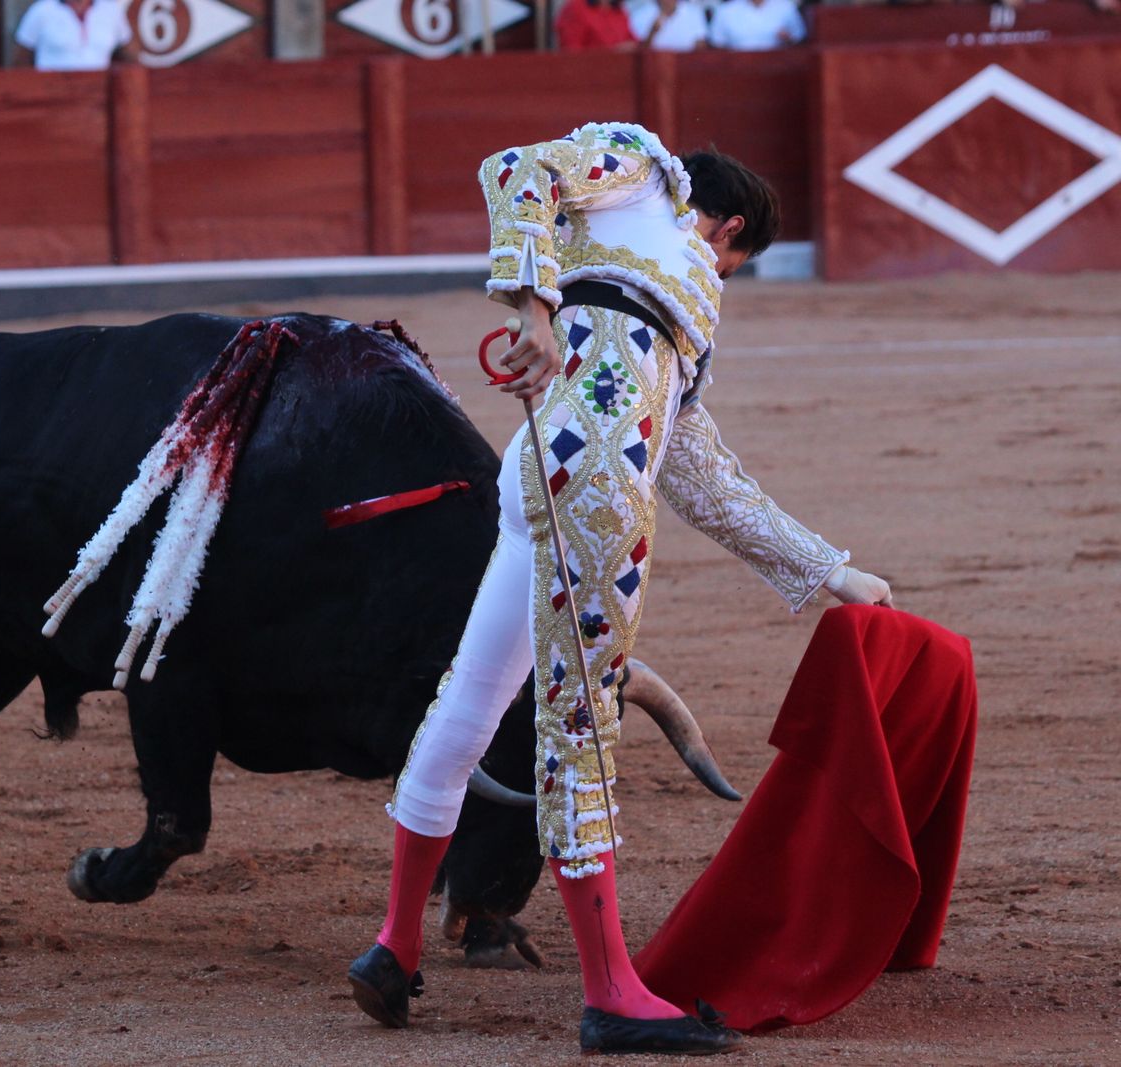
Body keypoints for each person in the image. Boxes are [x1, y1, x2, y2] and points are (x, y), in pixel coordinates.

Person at [346, 122, 894, 1055]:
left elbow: (696, 468)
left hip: (545, 467)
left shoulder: (657, 298)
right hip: (595, 485)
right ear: (724, 230)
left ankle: (394, 946)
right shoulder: (644, 175)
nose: (724, 280)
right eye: (735, 261)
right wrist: (529, 309)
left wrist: (827, 570)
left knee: (470, 704)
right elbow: (511, 164)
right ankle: (610, 992)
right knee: (583, 718)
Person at [12, 0, 135, 71]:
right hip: (52, 96)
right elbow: (20, 62)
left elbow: (131, 58)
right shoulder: (41, 10)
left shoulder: (111, 11)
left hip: (97, 97)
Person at [708, 0, 805, 50]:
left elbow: (798, 38)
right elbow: (717, 43)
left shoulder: (786, 6)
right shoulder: (725, 10)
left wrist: (788, 39)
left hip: (777, 67)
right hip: (737, 68)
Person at [627, 0, 709, 51]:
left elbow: (701, 45)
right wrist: (652, 31)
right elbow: (638, 52)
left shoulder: (694, 13)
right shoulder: (640, 15)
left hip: (687, 66)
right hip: (655, 68)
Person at [555, 0, 637, 51]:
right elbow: (571, 53)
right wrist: (613, 53)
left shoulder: (618, 10)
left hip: (621, 74)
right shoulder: (575, 8)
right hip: (590, 75)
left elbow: (632, 40)